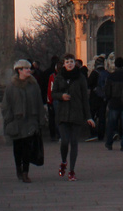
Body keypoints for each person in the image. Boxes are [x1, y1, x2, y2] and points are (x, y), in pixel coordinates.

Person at [51, 53, 95, 181]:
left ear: (75, 63)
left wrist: (88, 116)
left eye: (71, 61)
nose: (69, 64)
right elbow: (53, 94)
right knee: (65, 141)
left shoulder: (80, 78)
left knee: (74, 142)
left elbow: (85, 99)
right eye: (67, 62)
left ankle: (71, 170)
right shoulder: (59, 77)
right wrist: (61, 96)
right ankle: (64, 161)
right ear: (63, 64)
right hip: (63, 114)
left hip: (76, 113)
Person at [1, 59, 45, 183]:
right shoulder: (11, 86)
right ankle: (18, 168)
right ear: (19, 70)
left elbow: (39, 102)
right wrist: (9, 119)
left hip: (30, 120)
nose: (29, 70)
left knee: (27, 147)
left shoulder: (34, 85)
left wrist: (41, 119)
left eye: (29, 68)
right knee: (18, 148)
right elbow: (6, 105)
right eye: (26, 68)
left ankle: (26, 172)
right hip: (16, 121)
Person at [104, 57, 123, 151]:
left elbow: (107, 91)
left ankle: (109, 142)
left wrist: (108, 99)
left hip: (114, 102)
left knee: (111, 124)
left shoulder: (111, 76)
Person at [87, 55, 108, 141]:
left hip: (94, 97)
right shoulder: (107, 73)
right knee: (102, 116)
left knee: (91, 115)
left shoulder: (94, 73)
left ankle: (93, 133)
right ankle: (101, 134)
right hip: (103, 98)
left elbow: (88, 84)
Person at [43, 56, 59, 139]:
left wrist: (48, 100)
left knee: (52, 117)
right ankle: (59, 133)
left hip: (52, 98)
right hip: (60, 98)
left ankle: (53, 134)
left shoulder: (48, 73)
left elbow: (48, 89)